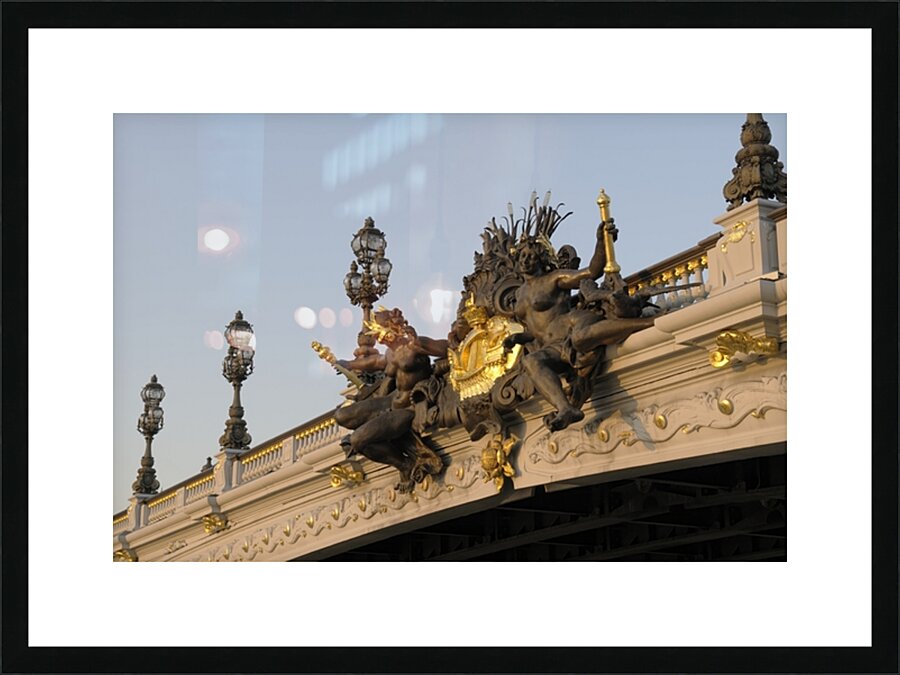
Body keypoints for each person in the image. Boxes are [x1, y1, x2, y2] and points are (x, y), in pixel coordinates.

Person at [508, 224, 657, 431]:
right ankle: (566, 409)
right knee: (531, 361)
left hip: (573, 324)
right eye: (522, 256)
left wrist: (601, 242)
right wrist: (517, 339)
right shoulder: (520, 294)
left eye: (531, 256)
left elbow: (592, 272)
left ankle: (648, 322)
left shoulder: (554, 278)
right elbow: (535, 329)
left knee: (579, 339)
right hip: (552, 345)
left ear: (541, 259)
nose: (525, 260)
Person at [334, 307, 448, 491]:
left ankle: (404, 465)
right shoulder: (389, 353)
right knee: (341, 416)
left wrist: (419, 341)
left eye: (378, 330)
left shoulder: (414, 346)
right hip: (390, 402)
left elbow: (447, 347)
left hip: (409, 407)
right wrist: (348, 364)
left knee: (357, 441)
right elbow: (373, 362)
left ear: (392, 327)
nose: (377, 337)